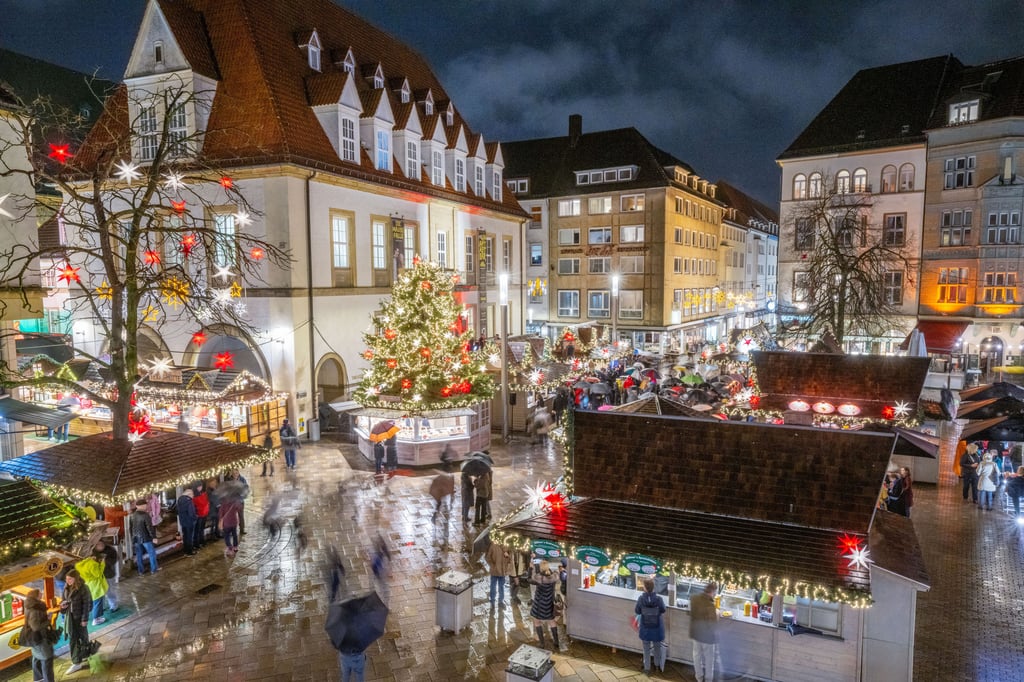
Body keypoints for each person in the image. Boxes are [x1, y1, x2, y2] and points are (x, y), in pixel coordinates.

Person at [60, 569, 93, 674]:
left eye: (70, 579)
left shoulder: (84, 588)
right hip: (70, 618)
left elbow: (87, 605)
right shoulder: (66, 589)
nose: (68, 581)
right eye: (66, 579)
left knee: (83, 637)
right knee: (73, 639)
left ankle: (86, 655)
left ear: (76, 579)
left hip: (79, 618)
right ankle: (76, 662)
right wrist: (63, 607)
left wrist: (84, 619)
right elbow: (62, 602)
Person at [22, 588, 55, 682]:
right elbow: (36, 627)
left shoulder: (29, 606)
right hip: (40, 638)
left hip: (33, 639)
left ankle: (38, 678)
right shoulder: (35, 610)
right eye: (40, 593)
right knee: (46, 659)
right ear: (36, 596)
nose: (42, 594)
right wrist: (48, 620)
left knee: (36, 657)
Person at [635, 577, 667, 674]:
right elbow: (663, 610)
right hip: (657, 628)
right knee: (657, 647)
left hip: (645, 628)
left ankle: (647, 668)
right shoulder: (659, 599)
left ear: (645, 588)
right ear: (653, 588)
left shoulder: (641, 599)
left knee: (646, 649)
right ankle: (657, 665)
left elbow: (637, 611)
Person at [690, 582, 719, 682]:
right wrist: (717, 614)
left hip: (695, 633)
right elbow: (713, 624)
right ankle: (708, 679)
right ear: (712, 592)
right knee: (709, 660)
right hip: (707, 637)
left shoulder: (694, 598)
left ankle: (699, 678)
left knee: (696, 656)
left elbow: (689, 612)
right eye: (714, 592)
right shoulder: (710, 605)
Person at [528, 562, 560, 649]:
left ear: (541, 569)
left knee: (537, 621)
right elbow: (557, 572)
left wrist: (531, 568)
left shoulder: (539, 578)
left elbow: (530, 578)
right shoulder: (554, 577)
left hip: (539, 605)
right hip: (549, 604)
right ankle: (556, 641)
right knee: (552, 621)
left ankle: (542, 643)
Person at [76, 553, 109, 627]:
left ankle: (93, 616)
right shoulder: (92, 564)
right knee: (97, 601)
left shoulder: (79, 564)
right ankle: (96, 619)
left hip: (88, 583)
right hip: (96, 585)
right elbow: (98, 574)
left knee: (92, 601)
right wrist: (102, 564)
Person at [130, 499, 159, 575]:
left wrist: (133, 537)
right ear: (143, 505)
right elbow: (149, 527)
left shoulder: (132, 515)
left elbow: (131, 528)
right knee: (151, 553)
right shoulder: (145, 515)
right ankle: (154, 569)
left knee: (139, 555)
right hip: (146, 538)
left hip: (136, 538)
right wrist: (154, 537)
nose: (147, 506)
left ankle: (141, 571)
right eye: (146, 505)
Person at [93, 540, 119, 613]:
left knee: (109, 590)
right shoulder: (92, 552)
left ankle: (113, 605)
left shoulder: (110, 550)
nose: (100, 546)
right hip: (97, 575)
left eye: (101, 544)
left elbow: (114, 560)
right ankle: (102, 606)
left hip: (108, 574)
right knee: (100, 591)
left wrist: (104, 561)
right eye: (97, 544)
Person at [485, 541, 510, 607]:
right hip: (494, 571)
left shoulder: (506, 546)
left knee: (501, 586)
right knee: (493, 586)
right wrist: (493, 566)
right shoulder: (493, 545)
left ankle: (501, 601)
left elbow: (509, 559)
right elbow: (488, 557)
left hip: (502, 571)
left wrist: (507, 556)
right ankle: (492, 601)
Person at [177, 487, 198, 556]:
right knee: (189, 537)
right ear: (189, 494)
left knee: (185, 536)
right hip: (189, 522)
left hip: (183, 521)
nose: (193, 496)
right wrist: (195, 517)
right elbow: (191, 513)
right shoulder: (189, 501)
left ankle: (186, 550)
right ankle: (190, 551)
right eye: (192, 495)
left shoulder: (179, 500)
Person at [193, 482, 210, 549]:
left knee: (201, 529)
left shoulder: (202, 493)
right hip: (199, 515)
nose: (201, 487)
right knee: (198, 530)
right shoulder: (195, 495)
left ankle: (201, 541)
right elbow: (203, 503)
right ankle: (197, 543)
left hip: (204, 514)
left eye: (201, 486)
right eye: (199, 486)